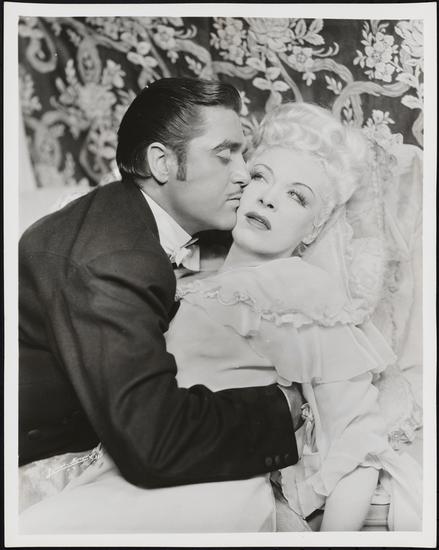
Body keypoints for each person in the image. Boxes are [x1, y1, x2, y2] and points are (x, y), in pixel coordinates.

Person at [20, 103, 422, 533]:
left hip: (212, 488)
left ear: (313, 229)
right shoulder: (176, 277)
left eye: (297, 195)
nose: (267, 197)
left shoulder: (303, 294)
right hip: (134, 470)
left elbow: (357, 445)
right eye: (260, 176)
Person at [19, 79, 306, 508]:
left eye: (243, 154)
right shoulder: (113, 261)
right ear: (161, 162)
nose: (244, 173)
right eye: (224, 154)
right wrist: (284, 406)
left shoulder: (121, 213)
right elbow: (155, 441)